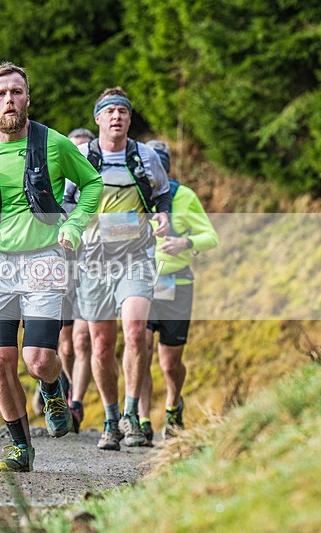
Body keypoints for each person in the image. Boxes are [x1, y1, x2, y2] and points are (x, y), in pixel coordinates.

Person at [0, 62, 103, 472]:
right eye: (1, 94)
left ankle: (53, 387)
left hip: (43, 258)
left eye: (16, 92)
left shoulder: (53, 143)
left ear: (27, 98)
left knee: (37, 359)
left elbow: (93, 184)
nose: (9, 100)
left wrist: (73, 225)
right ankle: (20, 447)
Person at [76, 87, 171, 451]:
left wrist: (162, 215)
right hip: (95, 260)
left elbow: (162, 194)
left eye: (123, 112)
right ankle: (111, 419)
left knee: (134, 333)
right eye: (110, 111)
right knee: (101, 345)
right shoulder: (82, 157)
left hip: (136, 255)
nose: (116, 117)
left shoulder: (144, 156)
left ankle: (133, 415)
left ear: (129, 119)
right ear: (98, 119)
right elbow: (64, 200)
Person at [138, 140, 218, 442]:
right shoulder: (134, 197)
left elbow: (210, 236)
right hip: (141, 284)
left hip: (177, 284)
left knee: (169, 363)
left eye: (158, 165)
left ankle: (173, 404)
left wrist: (185, 243)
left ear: (166, 168)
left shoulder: (184, 197)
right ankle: (141, 419)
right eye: (147, 165)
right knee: (140, 351)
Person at [32, 128, 95, 432]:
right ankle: (60, 386)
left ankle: (76, 402)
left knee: (83, 340)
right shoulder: (58, 190)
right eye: (76, 150)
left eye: (86, 150)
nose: (81, 156)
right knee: (66, 346)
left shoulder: (100, 181)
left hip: (96, 271)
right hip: (66, 271)